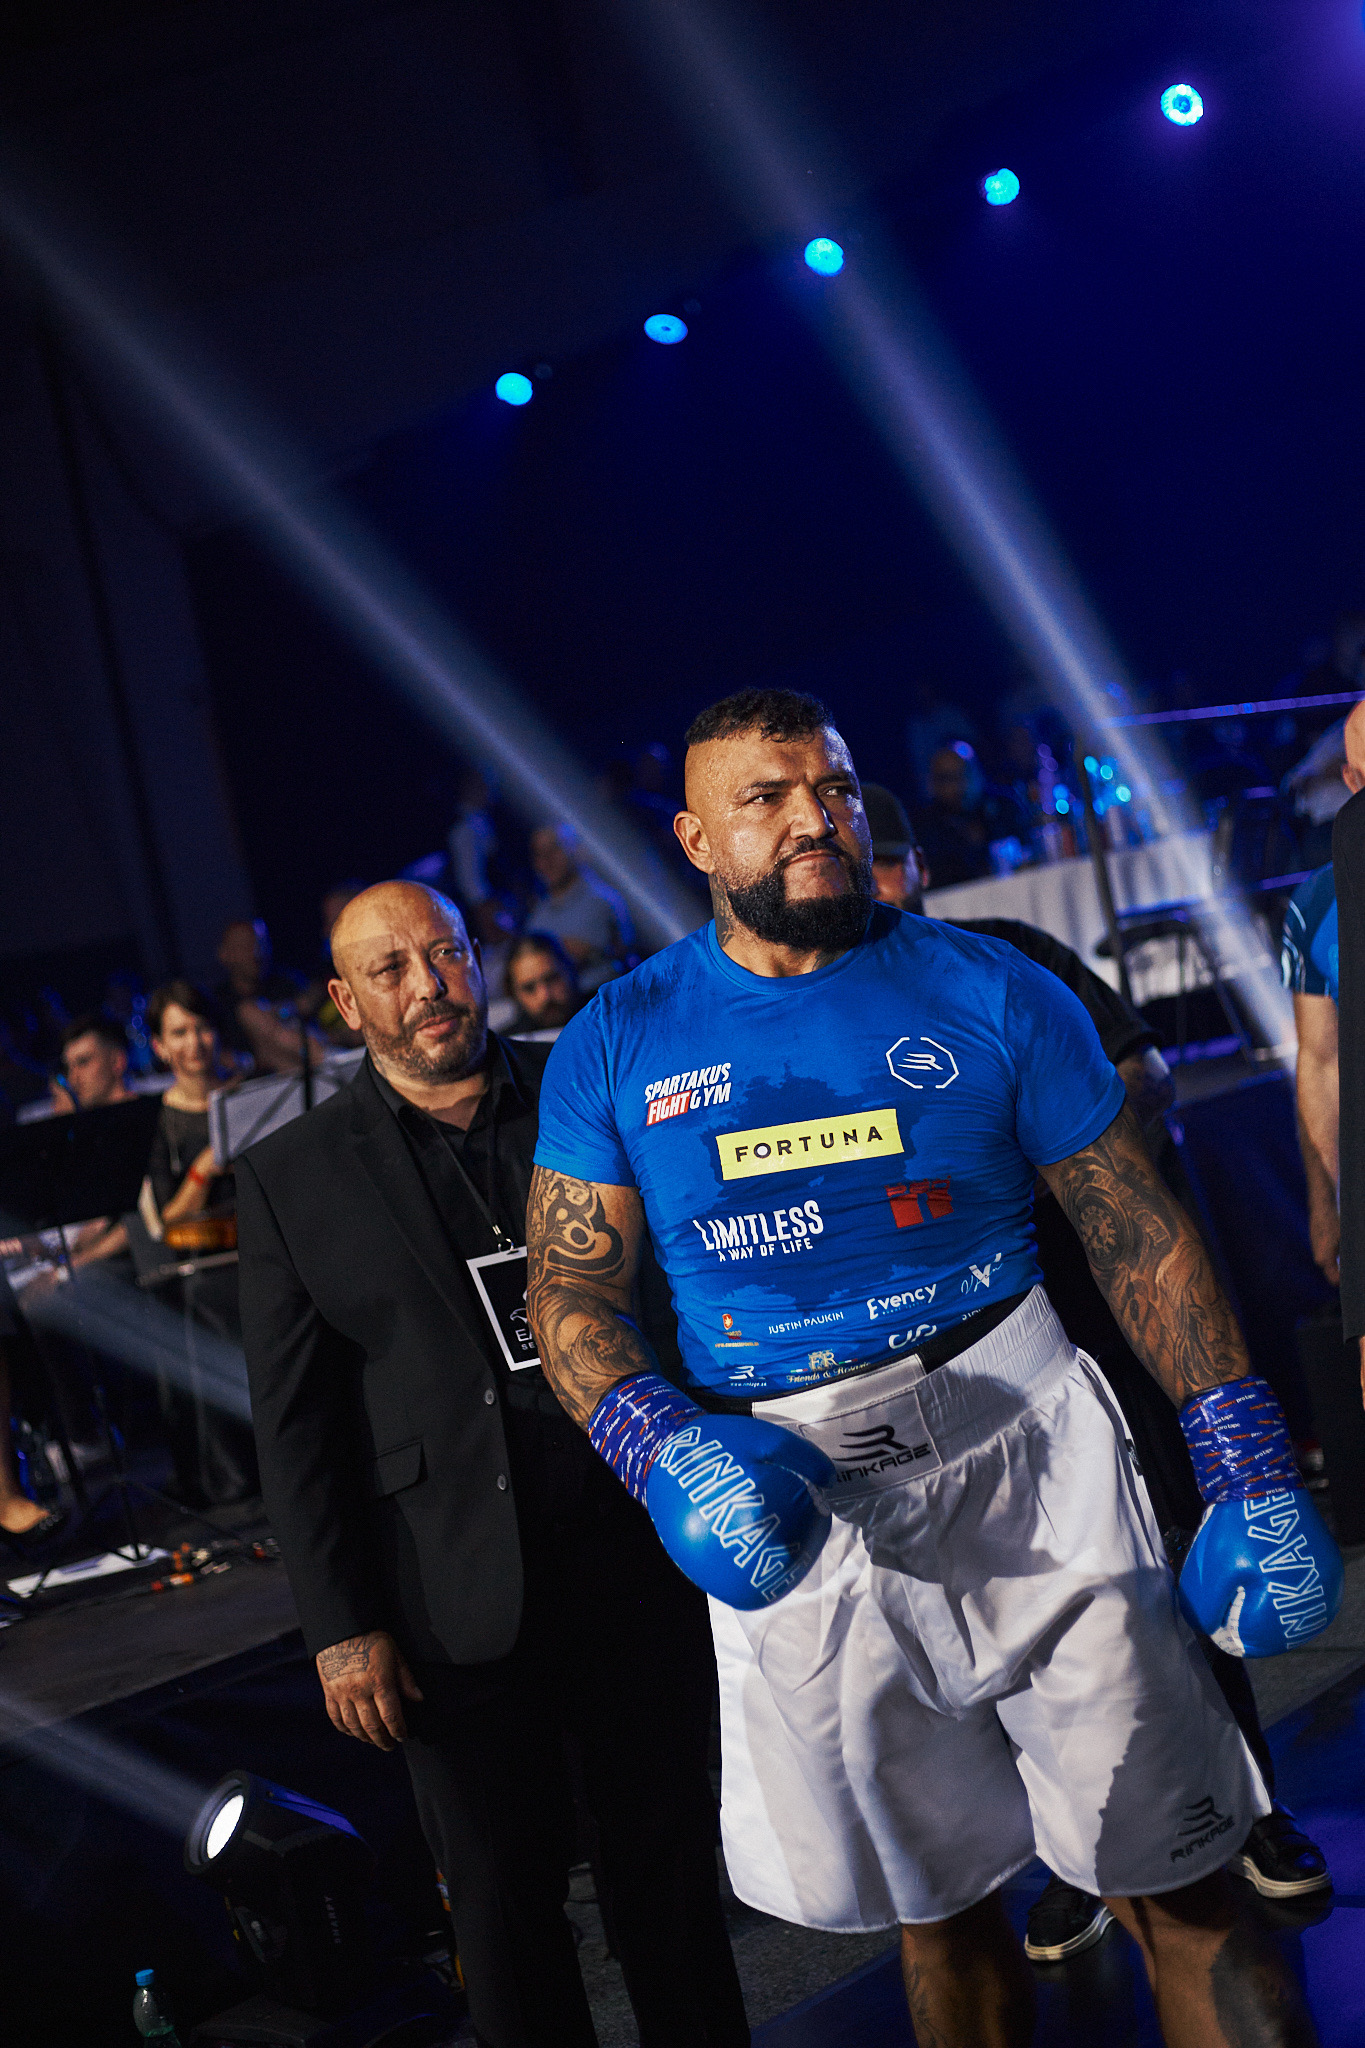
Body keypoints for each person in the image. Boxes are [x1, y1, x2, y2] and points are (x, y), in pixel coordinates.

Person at [527, 688, 1336, 2048]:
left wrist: (1245, 1450)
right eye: (767, 798)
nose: (814, 819)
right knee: (940, 1914)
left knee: (1185, 1880)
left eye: (834, 789)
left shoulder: (994, 986)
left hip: (1033, 1454)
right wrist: (655, 1443)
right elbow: (570, 1288)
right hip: (796, 1497)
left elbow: (1135, 1230)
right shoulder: (618, 1036)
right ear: (695, 840)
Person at [235, 881, 748, 2048]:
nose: (430, 986)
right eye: (392, 969)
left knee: (670, 1874)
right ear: (344, 1001)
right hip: (448, 1592)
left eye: (448, 953)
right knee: (505, 1910)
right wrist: (340, 1625)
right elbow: (297, 1426)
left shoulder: (587, 1082)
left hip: (634, 1549)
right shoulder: (289, 1176)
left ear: (478, 955)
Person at [145, 981, 258, 1506]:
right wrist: (204, 1169)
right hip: (206, 1261)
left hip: (262, 1247)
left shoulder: (250, 1094)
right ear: (159, 1046)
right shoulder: (158, 1120)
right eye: (179, 1033)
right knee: (204, 1301)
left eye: (202, 1028)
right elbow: (166, 1221)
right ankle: (235, 1474)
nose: (194, 1043)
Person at [528, 824, 634, 991]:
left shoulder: (602, 900)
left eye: (554, 849)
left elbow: (580, 954)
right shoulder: (537, 917)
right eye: (540, 854)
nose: (547, 861)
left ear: (574, 850)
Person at [214, 917, 318, 1074]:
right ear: (224, 954)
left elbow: (313, 1007)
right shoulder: (217, 1003)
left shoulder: (287, 983)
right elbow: (221, 1058)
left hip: (306, 1067)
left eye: (260, 944)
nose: (256, 953)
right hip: (253, 1080)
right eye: (246, 947)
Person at [504, 933, 581, 1037]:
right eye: (529, 988)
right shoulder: (507, 1043)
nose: (545, 996)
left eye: (552, 979)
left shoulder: (602, 1017)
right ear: (514, 994)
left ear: (571, 970)